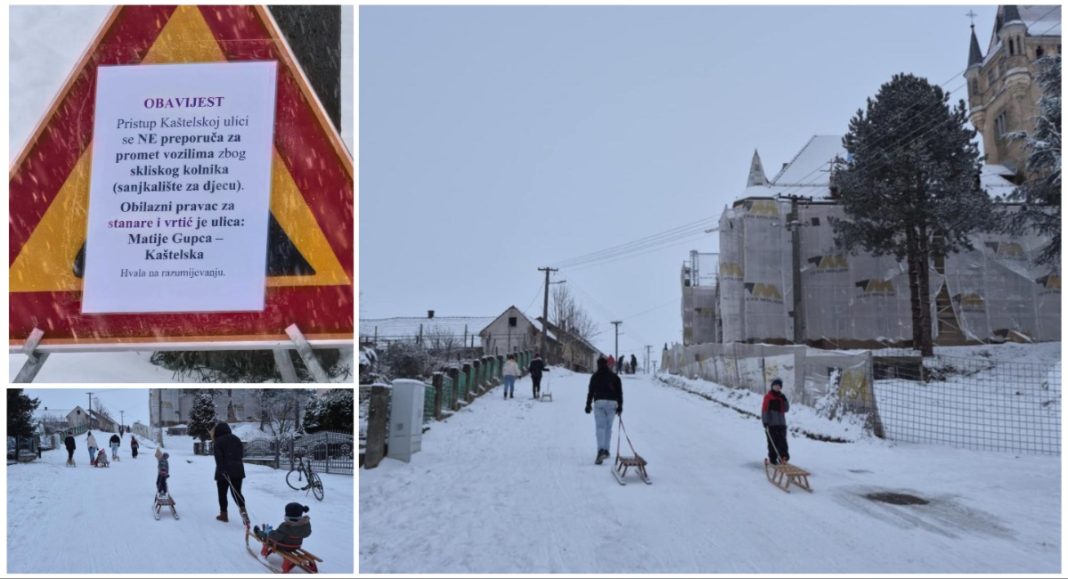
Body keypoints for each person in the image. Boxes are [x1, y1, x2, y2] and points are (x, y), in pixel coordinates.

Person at [585, 356, 623, 465]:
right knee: (608, 427)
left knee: (600, 427)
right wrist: (620, 406)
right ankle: (606, 450)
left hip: (599, 403)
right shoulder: (615, 377)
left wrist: (588, 405)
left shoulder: (595, 376)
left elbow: (590, 392)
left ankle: (600, 450)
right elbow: (619, 393)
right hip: (612, 404)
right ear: (606, 364)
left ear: (598, 365)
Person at [212, 422, 247, 525]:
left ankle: (224, 515)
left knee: (222, 494)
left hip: (224, 472)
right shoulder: (236, 439)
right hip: (238, 470)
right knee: (237, 493)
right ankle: (244, 514)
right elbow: (241, 454)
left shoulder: (218, 441)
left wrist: (222, 470)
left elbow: (218, 458)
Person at [762, 377, 791, 465]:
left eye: (779, 386)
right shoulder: (768, 397)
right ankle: (773, 459)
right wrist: (765, 422)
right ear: (772, 386)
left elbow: (786, 409)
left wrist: (785, 400)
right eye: (775, 385)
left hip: (781, 424)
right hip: (772, 424)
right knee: (772, 443)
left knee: (783, 442)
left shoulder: (781, 397)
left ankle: (783, 458)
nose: (777, 387)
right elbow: (764, 410)